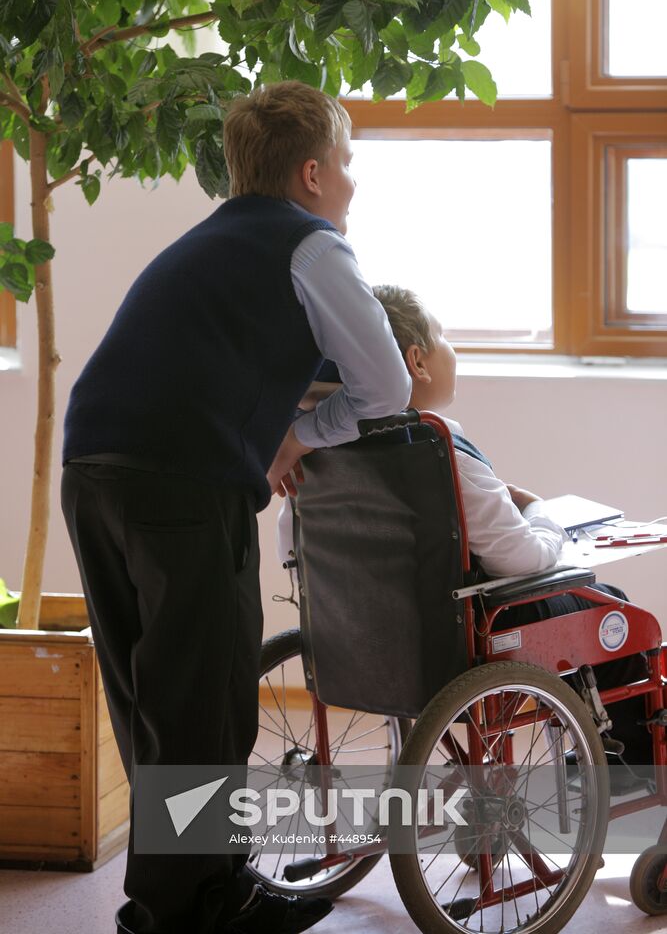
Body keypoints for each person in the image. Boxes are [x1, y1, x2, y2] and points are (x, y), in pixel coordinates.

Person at [60, 82, 411, 934]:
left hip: (93, 469)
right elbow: (387, 385)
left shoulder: (209, 243)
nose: (355, 184)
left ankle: (208, 893)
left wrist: (285, 421)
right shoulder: (313, 247)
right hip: (181, 485)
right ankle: (175, 911)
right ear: (312, 172)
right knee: (203, 704)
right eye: (349, 165)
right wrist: (300, 437)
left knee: (156, 701)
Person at [282, 284, 654, 781]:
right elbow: (520, 560)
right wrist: (539, 511)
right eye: (444, 337)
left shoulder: (317, 446)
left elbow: (295, 549)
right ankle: (629, 770)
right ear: (417, 360)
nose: (451, 349)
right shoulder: (436, 445)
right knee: (623, 616)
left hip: (358, 632)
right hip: (463, 634)